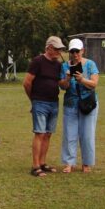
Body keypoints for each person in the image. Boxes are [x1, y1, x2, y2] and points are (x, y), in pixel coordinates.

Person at [23, 36, 67, 177]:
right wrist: (33, 100)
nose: (59, 52)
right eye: (56, 49)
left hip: (54, 102)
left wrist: (69, 78)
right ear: (48, 48)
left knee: (48, 134)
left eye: (60, 49)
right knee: (39, 133)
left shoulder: (58, 65)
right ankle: (35, 166)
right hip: (40, 102)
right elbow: (27, 83)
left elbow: (62, 85)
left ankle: (42, 163)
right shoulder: (37, 61)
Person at [61, 38, 99, 173]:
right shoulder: (65, 66)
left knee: (87, 134)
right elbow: (63, 87)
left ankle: (86, 163)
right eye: (72, 51)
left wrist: (82, 79)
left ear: (82, 50)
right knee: (69, 134)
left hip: (87, 103)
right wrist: (67, 78)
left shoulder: (90, 65)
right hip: (70, 104)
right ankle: (69, 163)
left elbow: (94, 84)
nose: (75, 54)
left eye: (77, 51)